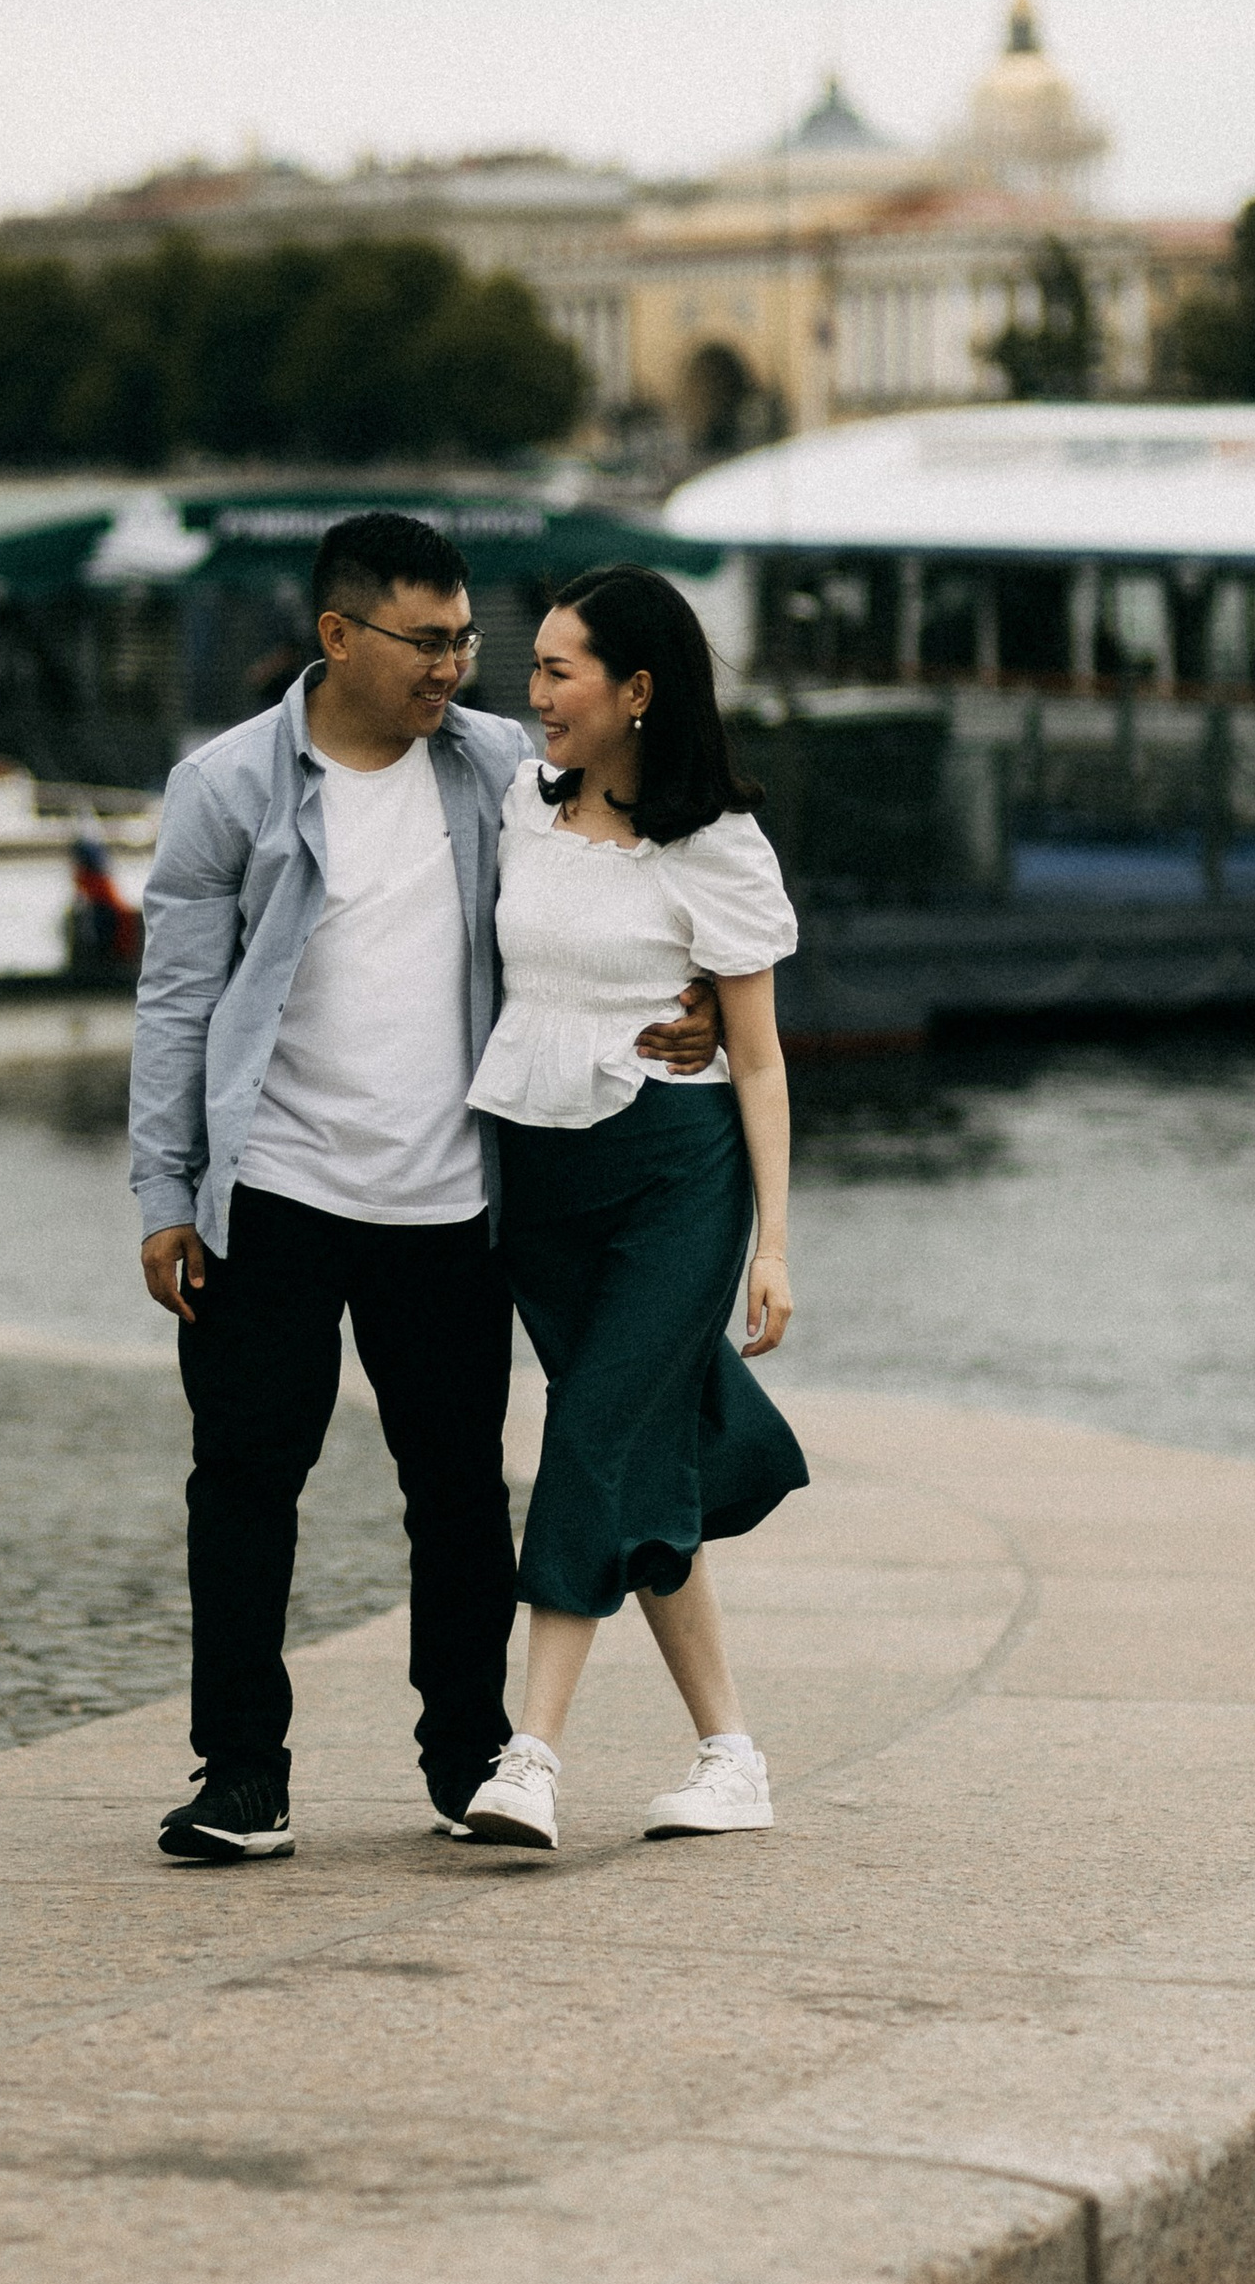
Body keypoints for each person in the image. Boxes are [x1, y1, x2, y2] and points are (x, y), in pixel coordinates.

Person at [130, 509, 722, 1864]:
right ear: (338, 635)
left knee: (458, 1493)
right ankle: (243, 1776)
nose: (455, 665)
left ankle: (466, 1759)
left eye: (465, 639)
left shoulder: (503, 768)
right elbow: (175, 1003)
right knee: (244, 1483)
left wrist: (701, 987)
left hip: (451, 1199)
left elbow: (645, 849)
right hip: (273, 1191)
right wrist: (165, 1191)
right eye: (427, 640)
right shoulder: (226, 786)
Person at [458, 565, 807, 1855]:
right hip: (542, 1170)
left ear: (638, 689)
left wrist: (773, 1246)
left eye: (560, 671)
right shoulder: (522, 802)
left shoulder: (718, 846)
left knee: (590, 1437)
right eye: (535, 668)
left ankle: (531, 1755)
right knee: (643, 1451)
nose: (536, 693)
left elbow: (759, 1058)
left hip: (674, 1171)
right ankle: (733, 1757)